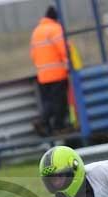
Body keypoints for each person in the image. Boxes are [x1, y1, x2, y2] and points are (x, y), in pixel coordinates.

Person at [30, 5, 70, 136]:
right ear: (56, 17)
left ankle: (45, 124)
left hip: (43, 75)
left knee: (49, 101)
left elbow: (33, 54)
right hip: (57, 73)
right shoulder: (55, 29)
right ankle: (55, 125)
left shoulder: (37, 31)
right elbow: (64, 49)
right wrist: (69, 64)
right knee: (59, 101)